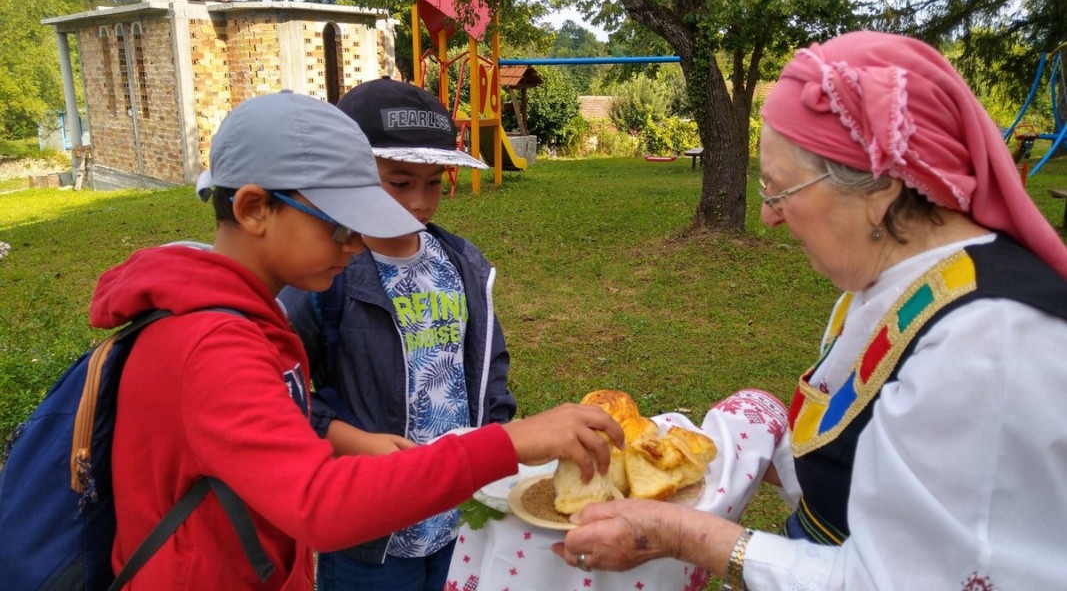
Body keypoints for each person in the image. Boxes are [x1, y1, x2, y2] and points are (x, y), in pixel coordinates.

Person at [551, 31, 1067, 589]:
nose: (769, 217)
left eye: (778, 190)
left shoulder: (984, 346)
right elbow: (873, 477)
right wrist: (765, 447)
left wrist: (681, 534)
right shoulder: (899, 288)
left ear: (881, 186)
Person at [92, 90, 623, 590]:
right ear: (254, 209)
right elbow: (320, 505)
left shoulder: (243, 317)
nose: (354, 245)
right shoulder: (213, 344)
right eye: (340, 226)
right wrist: (507, 443)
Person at [277, 78, 509, 591]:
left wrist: (496, 436)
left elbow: (490, 364)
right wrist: (353, 441)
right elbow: (278, 389)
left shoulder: (463, 265)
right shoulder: (325, 277)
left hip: (455, 516)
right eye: (399, 183)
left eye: (433, 182)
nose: (420, 203)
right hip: (371, 531)